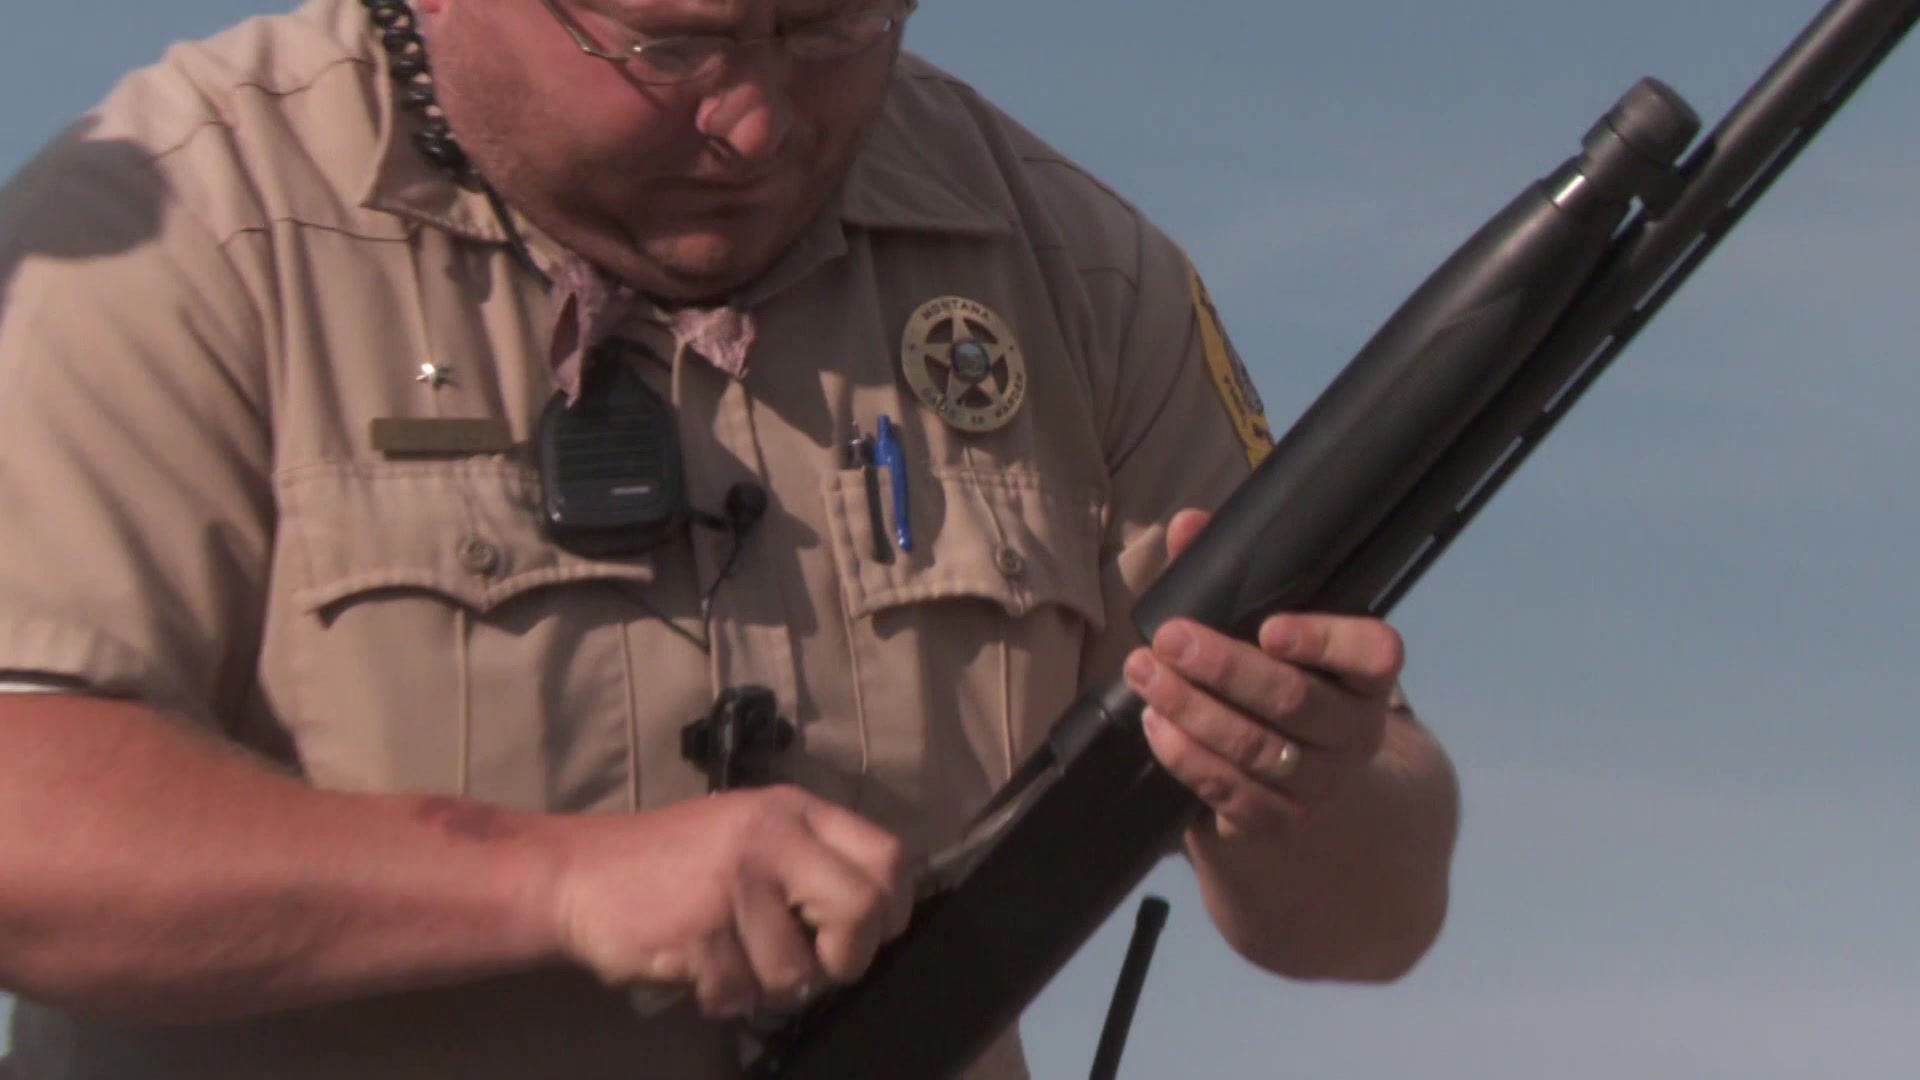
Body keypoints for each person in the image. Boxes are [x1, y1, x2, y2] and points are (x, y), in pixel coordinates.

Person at [0, 0, 1461, 1076]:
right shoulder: (181, 222)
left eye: (829, 29)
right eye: (671, 47)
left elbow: (1371, 919)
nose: (757, 121)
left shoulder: (1079, 276)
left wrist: (1310, 776)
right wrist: (553, 885)